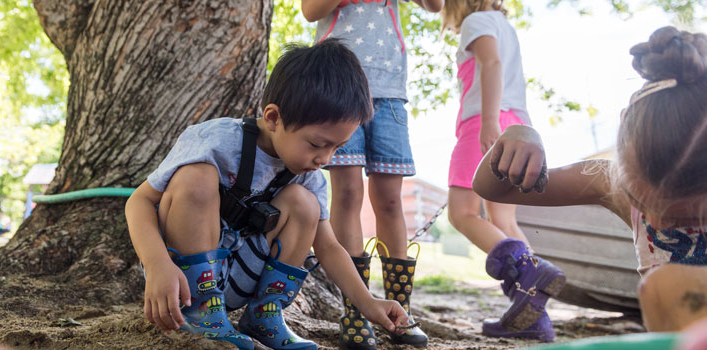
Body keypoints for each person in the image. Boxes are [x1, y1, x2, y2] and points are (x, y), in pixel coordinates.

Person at [125, 39, 408, 350]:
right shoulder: (214, 142)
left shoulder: (308, 176)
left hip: (241, 277)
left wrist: (367, 303)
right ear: (273, 118)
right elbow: (139, 201)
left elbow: (328, 245)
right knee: (196, 175)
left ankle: (264, 315)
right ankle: (202, 313)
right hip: (181, 284)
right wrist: (156, 265)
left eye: (336, 147)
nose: (325, 159)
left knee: (304, 203)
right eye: (316, 144)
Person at [472, 26, 707, 334]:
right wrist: (518, 136)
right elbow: (491, 189)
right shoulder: (610, 181)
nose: (656, 223)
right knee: (661, 287)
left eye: (683, 217)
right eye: (642, 202)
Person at [300, 0, 443, 348]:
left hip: (390, 93)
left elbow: (436, 5)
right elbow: (310, 10)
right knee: (347, 194)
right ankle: (356, 313)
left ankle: (400, 314)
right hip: (340, 89)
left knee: (391, 200)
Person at [438, 0, 564, 342]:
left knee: (462, 214)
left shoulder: (476, 20)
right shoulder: (503, 24)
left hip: (488, 123)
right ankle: (533, 318)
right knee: (504, 222)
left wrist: (488, 122)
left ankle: (529, 271)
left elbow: (490, 62)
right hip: (517, 125)